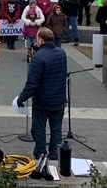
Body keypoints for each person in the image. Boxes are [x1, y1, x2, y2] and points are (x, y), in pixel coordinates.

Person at [16, 27, 67, 161]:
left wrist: (21, 99)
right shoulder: (61, 53)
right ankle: (55, 156)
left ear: (41, 40)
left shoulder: (38, 58)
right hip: (59, 101)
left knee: (38, 129)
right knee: (56, 130)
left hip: (43, 102)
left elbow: (32, 84)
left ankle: (40, 155)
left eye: (37, 38)